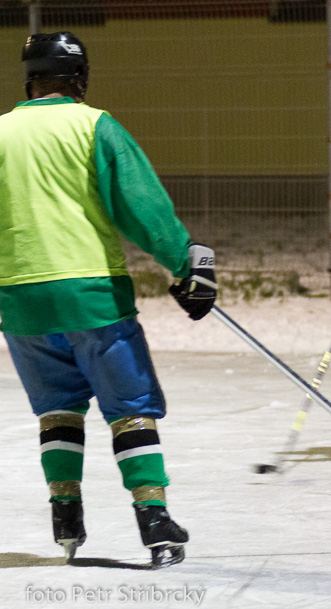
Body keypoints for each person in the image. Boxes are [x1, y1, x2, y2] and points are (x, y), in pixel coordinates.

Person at [0, 31, 217, 567]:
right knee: (131, 409)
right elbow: (141, 206)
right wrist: (186, 261)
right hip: (92, 295)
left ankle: (66, 517)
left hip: (20, 301)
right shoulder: (95, 125)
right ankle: (155, 521)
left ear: (29, 79)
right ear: (80, 78)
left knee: (57, 410)